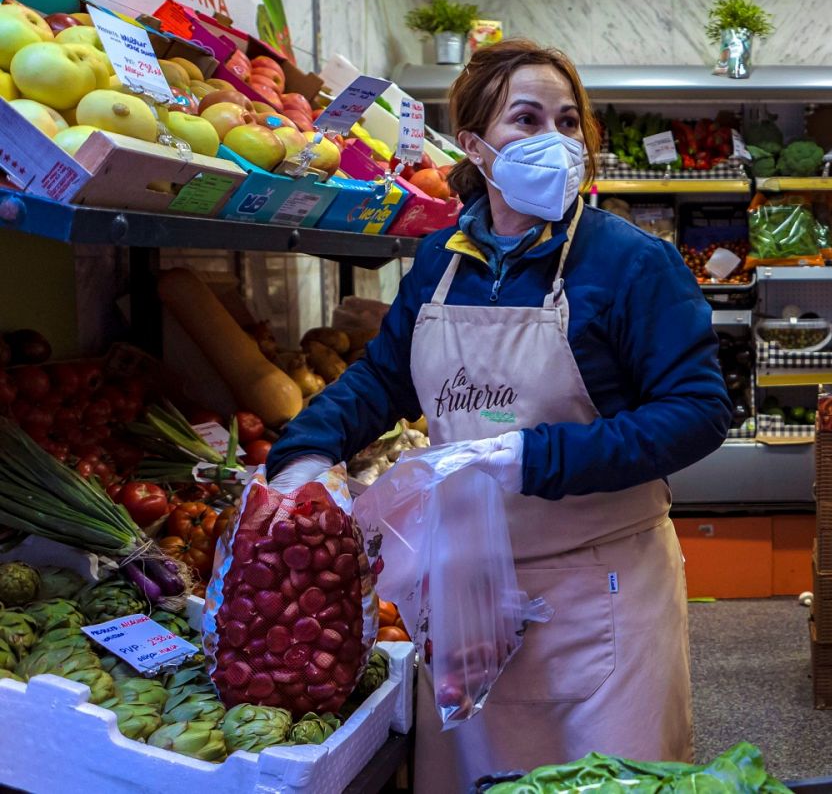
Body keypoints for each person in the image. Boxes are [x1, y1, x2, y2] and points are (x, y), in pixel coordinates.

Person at [264, 39, 731, 791]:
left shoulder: (631, 264)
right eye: (527, 118)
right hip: (469, 597)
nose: (555, 139)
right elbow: (383, 380)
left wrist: (533, 458)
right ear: (476, 145)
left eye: (569, 122)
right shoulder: (438, 264)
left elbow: (699, 411)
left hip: (600, 598)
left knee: (608, 780)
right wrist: (305, 455)